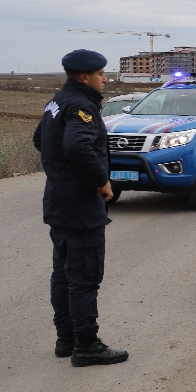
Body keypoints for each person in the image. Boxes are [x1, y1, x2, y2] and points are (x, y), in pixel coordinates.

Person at [32, 49, 128, 367]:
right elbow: (77, 145)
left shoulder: (57, 101)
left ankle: (67, 339)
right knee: (84, 276)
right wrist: (101, 181)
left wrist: (60, 172)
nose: (106, 79)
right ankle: (87, 345)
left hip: (58, 200)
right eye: (102, 74)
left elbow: (40, 139)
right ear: (85, 76)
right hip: (80, 205)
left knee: (63, 273)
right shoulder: (82, 105)